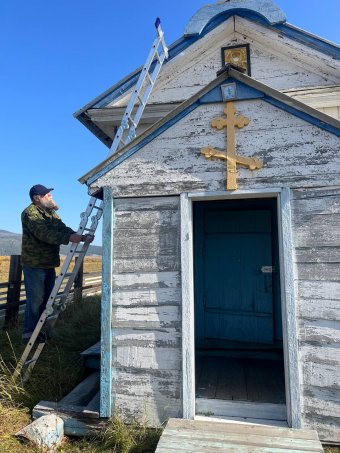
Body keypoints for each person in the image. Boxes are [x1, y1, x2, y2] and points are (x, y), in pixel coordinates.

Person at [21, 184, 94, 341]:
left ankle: (42, 332)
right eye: (47, 195)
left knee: (47, 300)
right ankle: (29, 334)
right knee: (35, 300)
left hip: (48, 263)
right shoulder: (30, 213)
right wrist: (68, 238)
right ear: (37, 198)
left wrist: (78, 236)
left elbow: (62, 228)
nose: (51, 197)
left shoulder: (51, 213)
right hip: (35, 264)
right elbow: (43, 234)